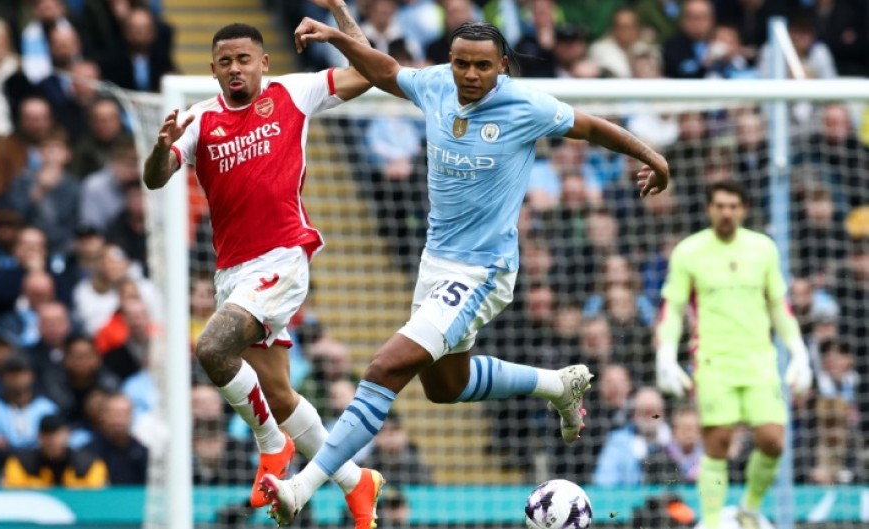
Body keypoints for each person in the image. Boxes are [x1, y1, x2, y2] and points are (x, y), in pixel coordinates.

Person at [262, 18, 670, 525]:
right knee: (444, 387)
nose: (470, 74)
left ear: (501, 66)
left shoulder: (526, 105)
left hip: (484, 272)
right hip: (435, 266)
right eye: (461, 63)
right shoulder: (435, 85)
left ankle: (302, 487)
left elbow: (590, 127)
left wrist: (652, 157)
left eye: (482, 65)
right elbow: (386, 71)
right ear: (450, 61)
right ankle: (556, 385)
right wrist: (340, 37)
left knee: (384, 368)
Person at [140, 2, 380, 526]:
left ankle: (271, 446)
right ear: (213, 69)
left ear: (263, 63)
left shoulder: (292, 93)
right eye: (224, 61)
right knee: (279, 393)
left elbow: (370, 71)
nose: (234, 69)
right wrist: (160, 150)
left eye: (243, 59)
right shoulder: (200, 119)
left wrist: (339, 18)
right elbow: (156, 179)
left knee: (210, 347)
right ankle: (357, 482)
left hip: (282, 257)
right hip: (233, 273)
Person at [654, 180, 813, 529]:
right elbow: (674, 307)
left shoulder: (764, 249)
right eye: (720, 205)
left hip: (760, 361)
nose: (726, 212)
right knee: (718, 443)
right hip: (713, 362)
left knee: (773, 440)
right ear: (709, 209)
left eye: (733, 206)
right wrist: (665, 355)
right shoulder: (689, 252)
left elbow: (778, 305)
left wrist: (799, 352)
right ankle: (712, 521)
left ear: (743, 209)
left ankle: (748, 509)